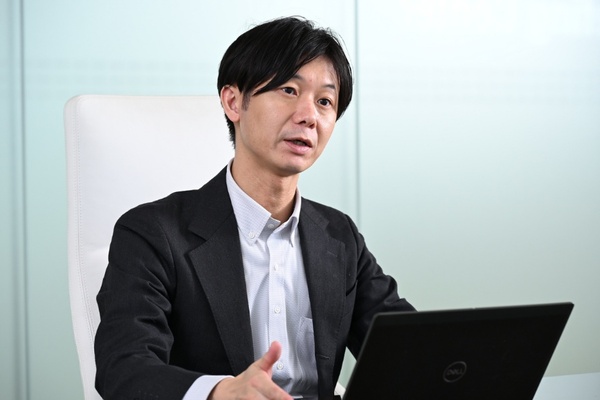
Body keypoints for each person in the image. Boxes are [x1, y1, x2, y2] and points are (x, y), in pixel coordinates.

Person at [94, 16, 415, 400]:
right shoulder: (153, 232)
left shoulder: (338, 237)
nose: (309, 116)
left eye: (324, 101)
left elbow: (411, 348)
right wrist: (219, 393)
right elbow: (123, 369)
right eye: (288, 90)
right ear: (234, 102)